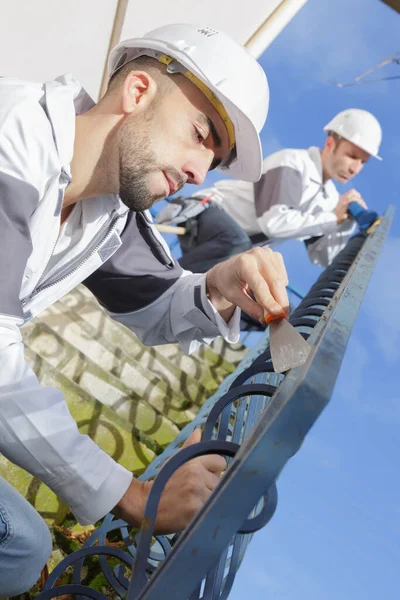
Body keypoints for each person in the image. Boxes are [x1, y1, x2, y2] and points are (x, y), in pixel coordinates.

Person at [0, 23, 290, 595]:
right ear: (137, 92)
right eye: (201, 134)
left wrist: (218, 283)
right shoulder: (15, 138)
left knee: (20, 553)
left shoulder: (105, 208)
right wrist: (133, 495)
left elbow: (154, 296)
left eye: (216, 159)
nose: (200, 174)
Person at [161, 109, 382, 272]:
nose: (355, 168)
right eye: (352, 156)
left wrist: (345, 223)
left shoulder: (329, 199)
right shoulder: (294, 162)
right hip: (206, 213)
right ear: (330, 143)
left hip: (235, 243)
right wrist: (332, 218)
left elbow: (321, 257)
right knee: (236, 248)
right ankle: (152, 284)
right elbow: (274, 222)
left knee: (264, 307)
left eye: (363, 162)